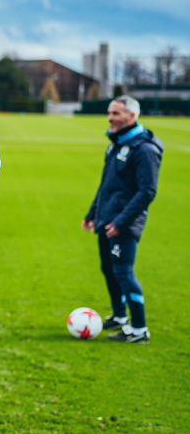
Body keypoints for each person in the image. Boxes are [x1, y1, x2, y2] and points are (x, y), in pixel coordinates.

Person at [82, 95, 162, 344]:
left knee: (124, 272)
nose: (110, 118)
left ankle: (139, 330)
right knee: (109, 269)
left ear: (132, 116)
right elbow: (107, 184)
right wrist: (92, 213)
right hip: (107, 218)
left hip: (125, 223)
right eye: (109, 112)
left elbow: (147, 191)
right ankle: (119, 317)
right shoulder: (115, 144)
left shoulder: (145, 149)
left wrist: (121, 222)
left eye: (116, 113)